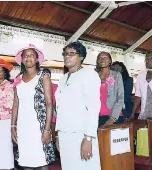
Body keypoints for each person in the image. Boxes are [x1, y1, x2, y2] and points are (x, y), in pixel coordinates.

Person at [55, 41, 101, 170]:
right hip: (65, 134)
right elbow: (59, 108)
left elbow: (93, 108)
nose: (67, 56)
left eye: (71, 53)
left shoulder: (89, 74)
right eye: (65, 54)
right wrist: (58, 134)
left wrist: (88, 138)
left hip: (81, 134)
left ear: (81, 57)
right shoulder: (63, 78)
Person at [11, 44, 55, 170]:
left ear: (37, 59)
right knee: (26, 161)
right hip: (23, 126)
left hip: (39, 126)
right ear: (22, 59)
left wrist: (47, 130)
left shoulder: (43, 76)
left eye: (31, 55)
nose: (28, 58)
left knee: (42, 161)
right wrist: (13, 126)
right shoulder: (18, 79)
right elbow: (15, 103)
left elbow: (49, 103)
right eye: (25, 56)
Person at [95, 52, 124, 126]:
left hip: (114, 116)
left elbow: (120, 97)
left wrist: (112, 118)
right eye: (100, 58)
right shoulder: (93, 76)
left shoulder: (116, 75)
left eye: (105, 58)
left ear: (110, 61)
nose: (102, 59)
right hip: (97, 117)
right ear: (97, 61)